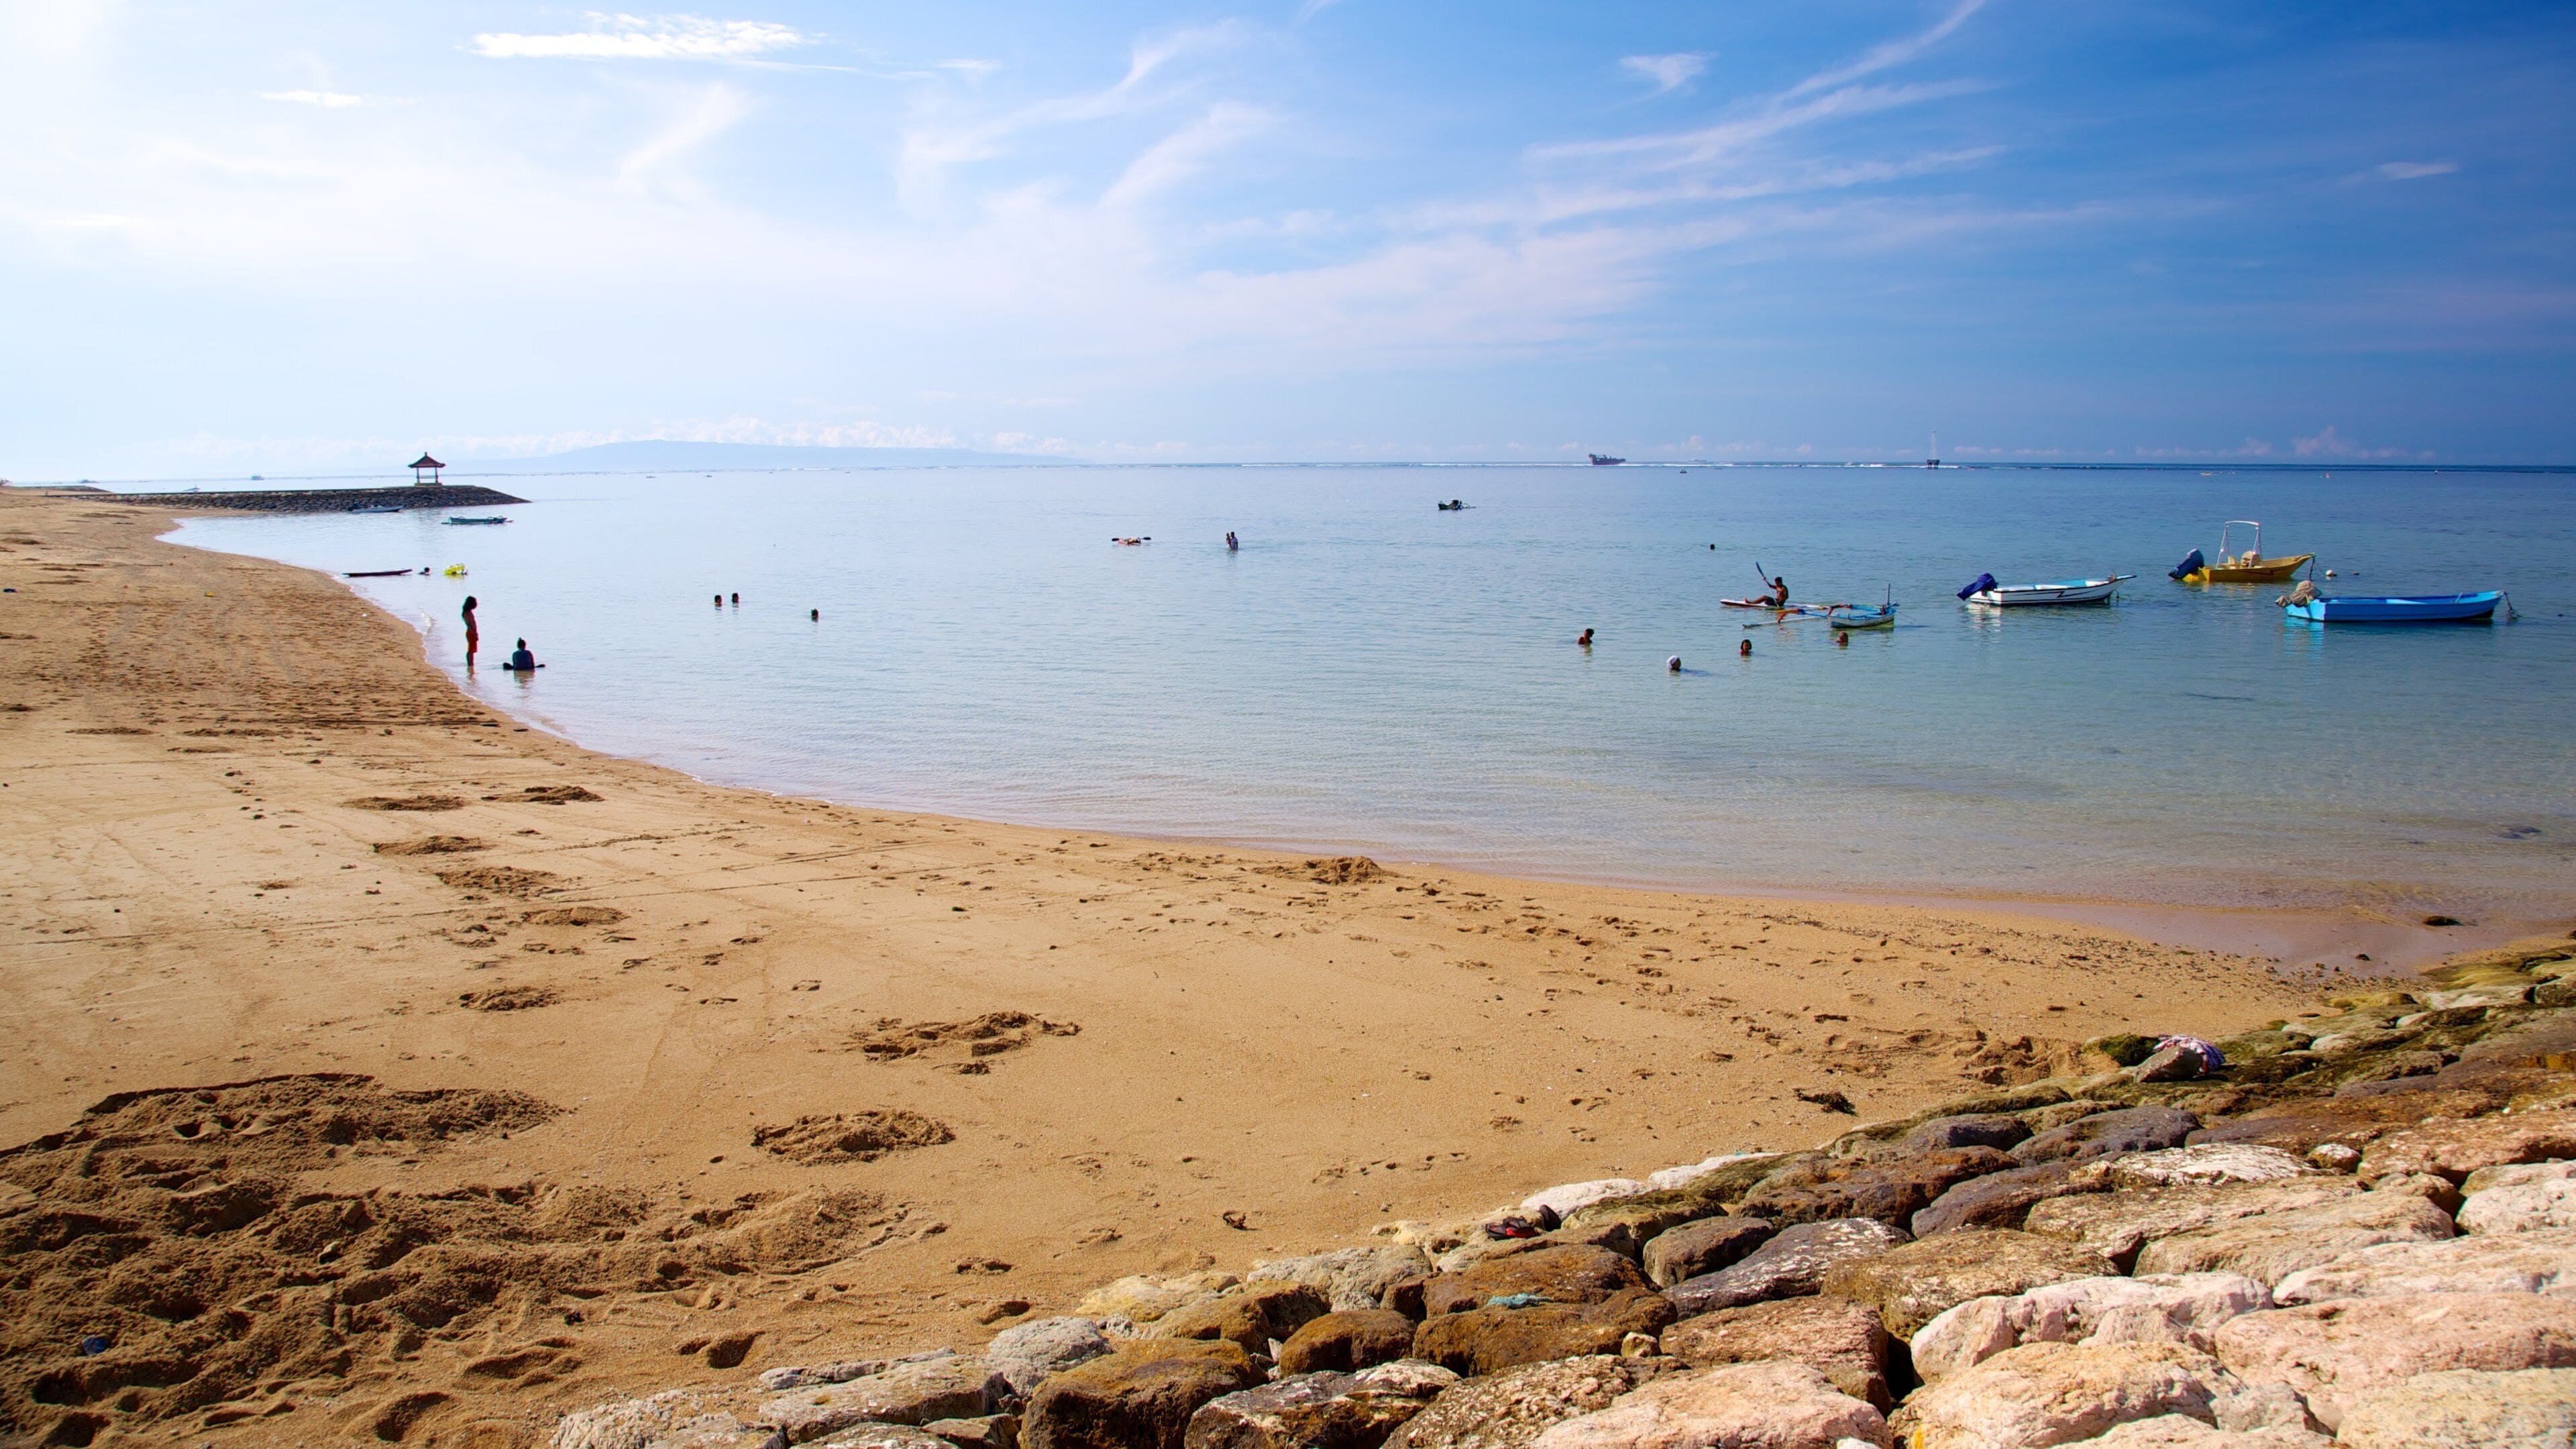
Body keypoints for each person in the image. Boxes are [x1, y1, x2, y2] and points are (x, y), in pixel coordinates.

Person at [461, 596, 480, 665]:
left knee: (472, 650)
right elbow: (470, 624)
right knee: (471, 650)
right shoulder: (467, 613)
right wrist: (474, 633)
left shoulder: (469, 612)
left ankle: (471, 664)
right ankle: (470, 664)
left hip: (472, 632)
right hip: (471, 632)